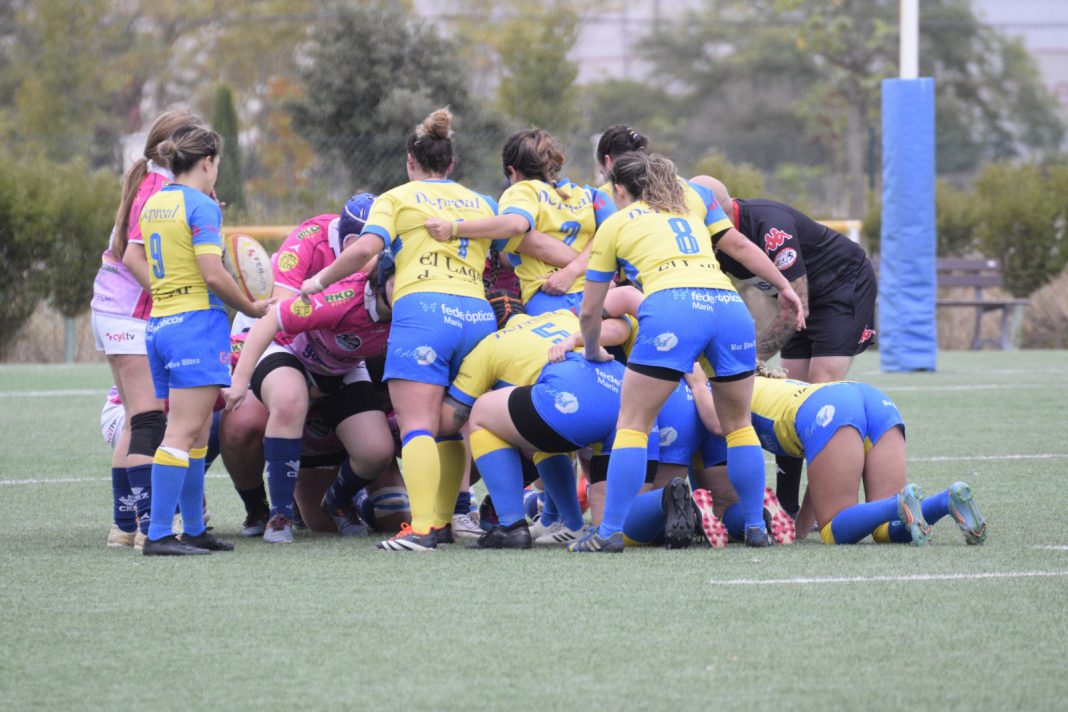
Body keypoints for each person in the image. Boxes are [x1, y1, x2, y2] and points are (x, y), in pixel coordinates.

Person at [570, 152, 805, 553]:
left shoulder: (614, 224)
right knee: (739, 425)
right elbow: (738, 244)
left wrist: (592, 350)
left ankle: (608, 532)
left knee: (632, 424)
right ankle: (754, 527)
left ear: (621, 189)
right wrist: (783, 286)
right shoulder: (694, 196)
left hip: (673, 306)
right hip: (729, 307)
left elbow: (591, 309)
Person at [300, 107, 499, 552]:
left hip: (425, 312)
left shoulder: (395, 198)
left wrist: (319, 281)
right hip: (478, 315)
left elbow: (366, 249)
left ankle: (423, 528)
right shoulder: (480, 202)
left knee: (418, 428)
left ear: (410, 162)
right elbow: (513, 236)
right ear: (451, 165)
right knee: (451, 427)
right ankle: (446, 520)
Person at [693, 176, 879, 517]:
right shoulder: (709, 235)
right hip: (797, 302)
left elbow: (797, 308)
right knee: (791, 401)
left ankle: (829, 507)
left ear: (718, 211)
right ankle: (787, 505)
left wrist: (753, 357)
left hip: (842, 287)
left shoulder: (768, 227)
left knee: (821, 397)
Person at [139, 124, 272, 556]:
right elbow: (213, 272)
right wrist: (251, 309)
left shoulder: (155, 202)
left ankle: (193, 528)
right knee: (182, 432)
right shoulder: (202, 206)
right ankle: (160, 533)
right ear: (208, 161)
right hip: (193, 324)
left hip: (161, 323)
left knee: (195, 434)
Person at [222, 193, 378, 536]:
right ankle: (265, 512)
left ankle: (346, 496)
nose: (379, 258)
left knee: (377, 456)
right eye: (373, 250)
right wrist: (242, 379)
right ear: (352, 243)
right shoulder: (311, 240)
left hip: (340, 359)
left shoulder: (385, 288)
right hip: (283, 341)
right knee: (247, 417)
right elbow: (278, 314)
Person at [690, 369, 988, 546]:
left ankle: (900, 503)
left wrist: (696, 384)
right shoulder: (773, 384)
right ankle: (945, 500)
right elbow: (819, 469)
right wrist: (800, 528)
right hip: (873, 399)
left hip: (830, 410)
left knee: (833, 529)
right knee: (886, 529)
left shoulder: (723, 391)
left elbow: (717, 425)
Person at [90, 109, 204, 549]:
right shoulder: (158, 189)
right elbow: (135, 256)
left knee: (141, 418)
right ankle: (145, 526)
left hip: (113, 313)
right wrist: (171, 293)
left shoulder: (153, 182)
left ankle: (124, 525)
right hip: (126, 315)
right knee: (150, 421)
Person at [424, 128, 613, 316]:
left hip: (549, 296)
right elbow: (611, 235)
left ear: (512, 172)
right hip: (596, 292)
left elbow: (516, 224)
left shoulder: (523, 191)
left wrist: (453, 228)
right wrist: (583, 267)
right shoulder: (589, 194)